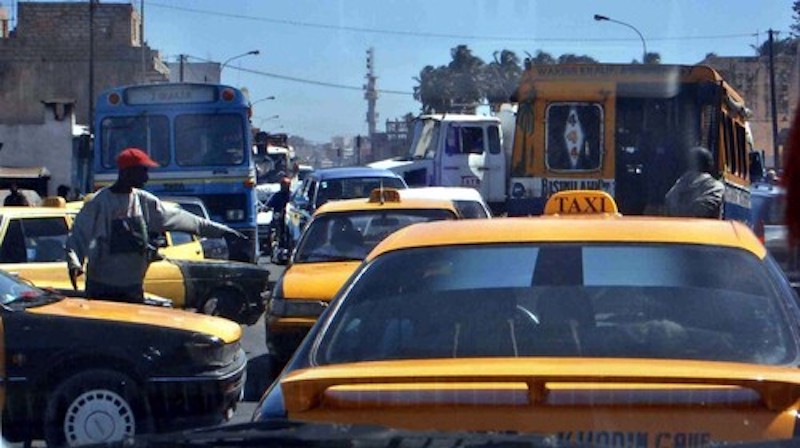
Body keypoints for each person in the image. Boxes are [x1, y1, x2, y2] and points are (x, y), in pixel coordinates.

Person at [65, 147, 246, 303]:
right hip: (102, 289)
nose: (146, 177)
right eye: (143, 171)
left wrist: (223, 232)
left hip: (133, 288)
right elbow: (78, 235)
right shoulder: (99, 203)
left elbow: (185, 219)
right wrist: (74, 264)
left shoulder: (144, 202)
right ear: (127, 172)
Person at [664, 146, 724, 219]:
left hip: (676, 226)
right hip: (703, 228)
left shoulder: (680, 183)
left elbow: (669, 201)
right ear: (710, 165)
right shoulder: (716, 187)